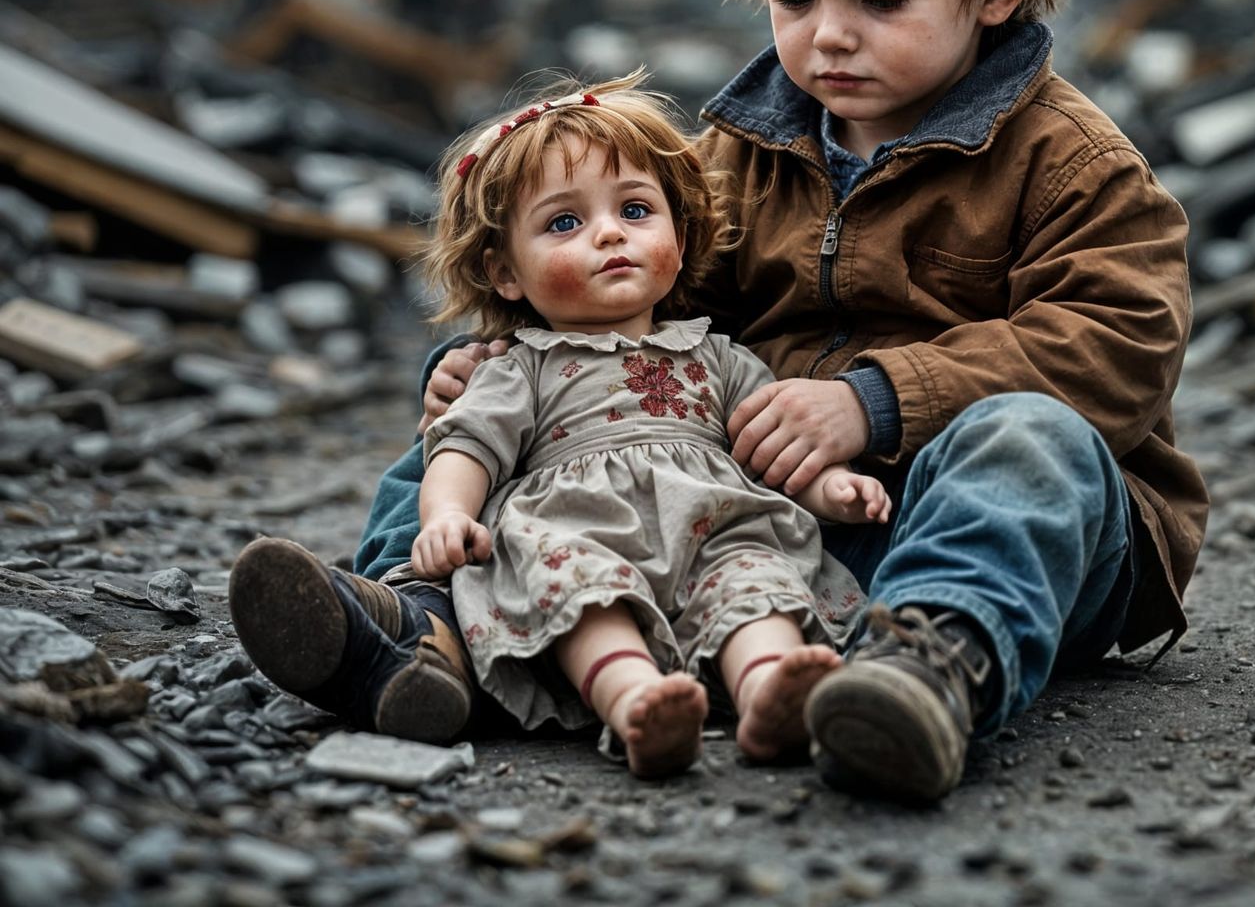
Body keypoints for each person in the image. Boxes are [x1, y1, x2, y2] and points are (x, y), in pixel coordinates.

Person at [234, 0, 1206, 804]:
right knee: (490, 415)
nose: (826, 35)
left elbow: (1119, 345)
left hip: (1013, 545)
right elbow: (639, 298)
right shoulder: (737, 153)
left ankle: (928, 666)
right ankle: (415, 623)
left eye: (877, 0)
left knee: (1029, 443)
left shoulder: (1070, 161)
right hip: (770, 533)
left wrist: (876, 401)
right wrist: (506, 361)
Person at [232, 75, 885, 777]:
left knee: (753, 581)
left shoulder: (720, 356)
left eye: (635, 210)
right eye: (564, 223)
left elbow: (770, 445)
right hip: (579, 532)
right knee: (577, 594)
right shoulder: (519, 367)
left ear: (682, 234)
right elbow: (464, 446)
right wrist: (445, 517)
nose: (609, 233)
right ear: (506, 273)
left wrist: (831, 488)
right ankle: (636, 703)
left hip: (711, 531)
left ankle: (770, 693)